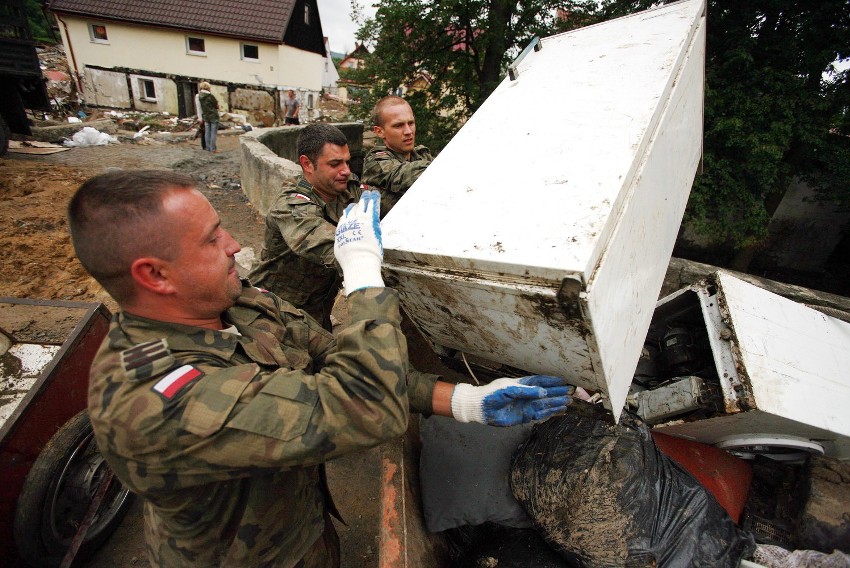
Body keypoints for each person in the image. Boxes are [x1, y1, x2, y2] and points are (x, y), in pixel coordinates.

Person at [68, 169, 571, 567]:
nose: (235, 246)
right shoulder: (157, 401)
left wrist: (464, 400)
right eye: (211, 238)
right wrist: (362, 272)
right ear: (154, 275)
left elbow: (333, 359)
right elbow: (360, 404)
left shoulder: (237, 304)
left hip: (301, 527)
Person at [249, 123, 365, 329]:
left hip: (316, 309)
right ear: (307, 164)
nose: (346, 171)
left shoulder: (347, 188)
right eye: (335, 164)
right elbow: (328, 243)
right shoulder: (291, 205)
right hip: (273, 313)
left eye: (347, 162)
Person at [362, 96, 433, 217]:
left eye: (411, 123)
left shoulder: (422, 155)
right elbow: (403, 175)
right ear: (380, 131)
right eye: (398, 125)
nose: (408, 131)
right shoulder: (376, 161)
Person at [198, 81, 219, 153]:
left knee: (207, 132)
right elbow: (216, 106)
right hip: (213, 116)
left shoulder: (199, 96)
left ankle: (207, 148)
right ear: (208, 88)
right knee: (213, 133)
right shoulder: (210, 96)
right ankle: (212, 148)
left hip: (206, 116)